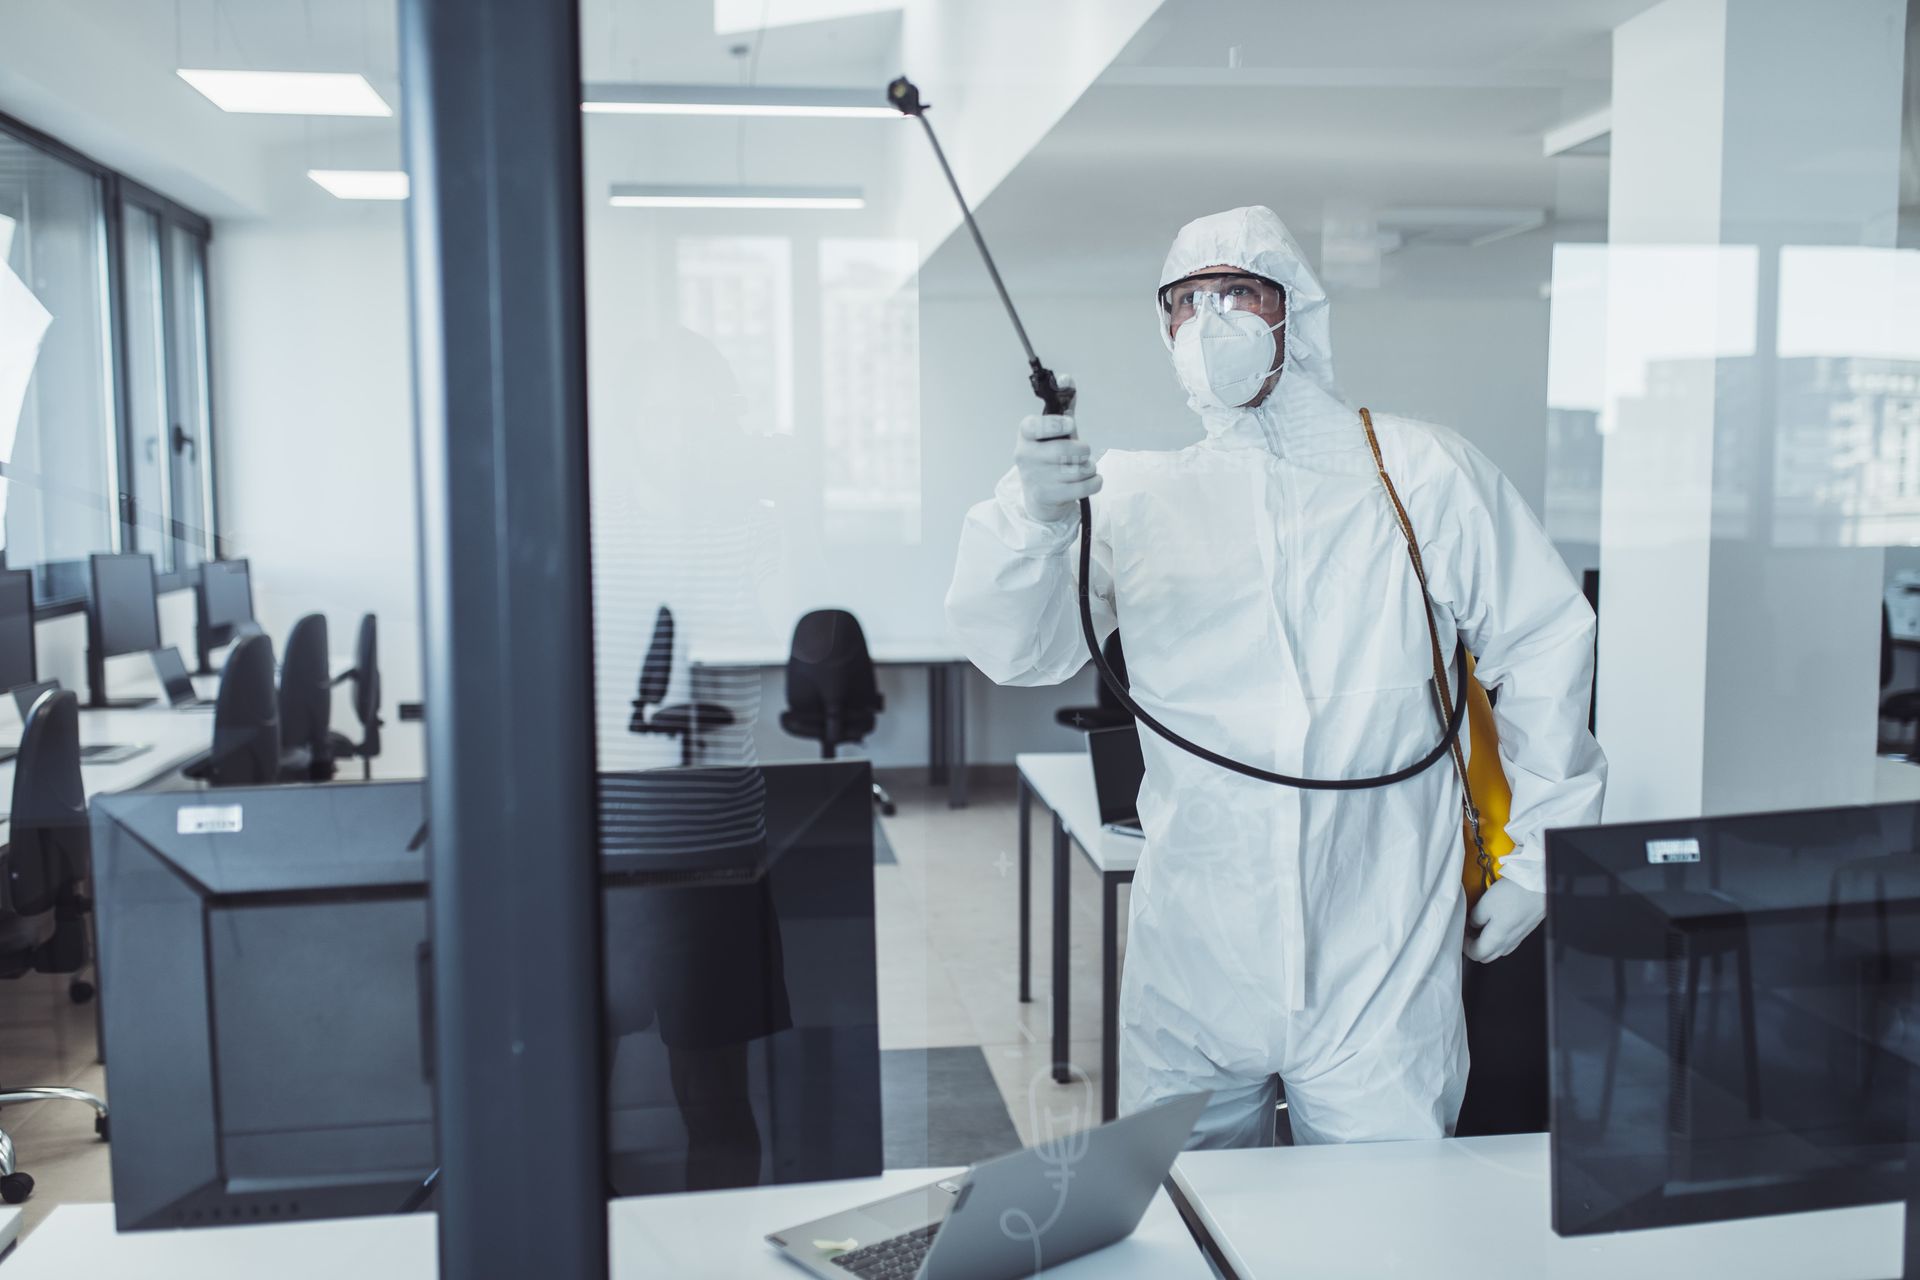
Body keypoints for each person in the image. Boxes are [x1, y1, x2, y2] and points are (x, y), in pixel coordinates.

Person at [945, 205, 1606, 1148]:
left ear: (1296, 311)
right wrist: (1034, 521)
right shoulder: (1134, 496)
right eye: (1184, 302)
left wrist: (1545, 855)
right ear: (1163, 328)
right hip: (1195, 956)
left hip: (1378, 950)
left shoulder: (1419, 474)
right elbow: (1020, 651)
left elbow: (1543, 641)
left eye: (1237, 293)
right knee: (1192, 1219)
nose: (1210, 323)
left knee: (1381, 1230)